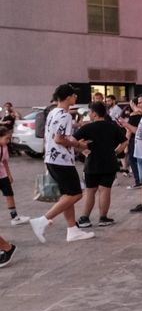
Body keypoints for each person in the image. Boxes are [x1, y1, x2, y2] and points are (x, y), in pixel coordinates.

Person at [29, 84, 94, 243]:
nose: (76, 97)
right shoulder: (65, 115)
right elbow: (59, 139)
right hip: (61, 161)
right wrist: (79, 146)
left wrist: (76, 144)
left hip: (53, 158)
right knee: (76, 194)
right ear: (67, 97)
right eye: (74, 95)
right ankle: (42, 220)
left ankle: (72, 230)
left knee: (67, 194)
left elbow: (56, 137)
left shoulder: (53, 112)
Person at [74, 102, 128, 228]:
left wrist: (83, 149)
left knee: (90, 191)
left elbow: (73, 141)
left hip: (92, 163)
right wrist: (116, 152)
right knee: (105, 190)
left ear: (94, 113)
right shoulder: (112, 127)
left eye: (90, 112)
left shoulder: (87, 127)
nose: (89, 115)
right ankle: (103, 218)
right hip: (109, 163)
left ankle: (85, 218)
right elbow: (125, 142)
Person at [0, 127, 30, 225]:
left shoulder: (4, 147)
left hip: (3, 175)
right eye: (6, 138)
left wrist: (9, 174)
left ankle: (15, 217)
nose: (8, 141)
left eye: (9, 139)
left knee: (9, 194)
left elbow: (4, 161)